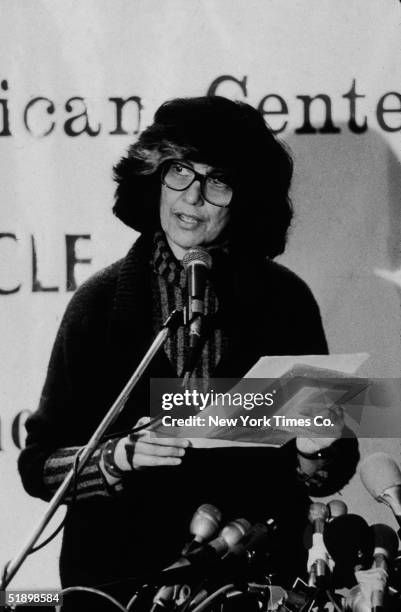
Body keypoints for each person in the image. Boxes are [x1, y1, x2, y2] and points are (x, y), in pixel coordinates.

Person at [18, 96, 359, 610]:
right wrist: (118, 456)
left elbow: (328, 468)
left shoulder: (286, 301)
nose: (193, 197)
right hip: (116, 586)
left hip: (249, 579)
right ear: (153, 175)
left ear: (244, 197)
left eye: (217, 180)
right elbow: (38, 467)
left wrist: (316, 448)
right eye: (179, 171)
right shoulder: (98, 302)